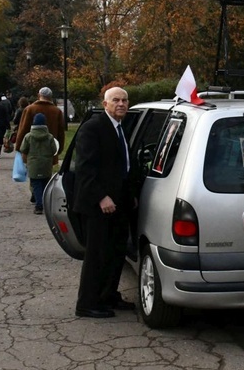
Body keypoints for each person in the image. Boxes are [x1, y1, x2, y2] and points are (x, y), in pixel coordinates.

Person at [72, 87, 135, 318]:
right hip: (97, 205)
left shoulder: (120, 127)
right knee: (96, 256)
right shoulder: (93, 128)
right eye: (115, 100)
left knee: (115, 253)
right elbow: (85, 169)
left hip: (119, 204)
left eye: (124, 100)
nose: (121, 103)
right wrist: (101, 197)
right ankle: (87, 304)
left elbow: (123, 166)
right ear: (105, 104)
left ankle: (107, 295)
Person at [15, 87, 65, 165]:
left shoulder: (29, 109)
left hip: (32, 150)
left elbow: (23, 129)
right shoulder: (57, 111)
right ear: (51, 97)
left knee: (32, 171)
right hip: (49, 149)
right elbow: (61, 132)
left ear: (39, 95)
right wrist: (59, 149)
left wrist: (18, 146)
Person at [20, 113, 58, 215]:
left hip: (33, 163)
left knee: (36, 184)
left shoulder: (28, 136)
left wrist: (25, 160)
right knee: (45, 184)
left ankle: (39, 205)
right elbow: (54, 150)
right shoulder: (49, 137)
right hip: (46, 164)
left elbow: (23, 150)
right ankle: (44, 202)